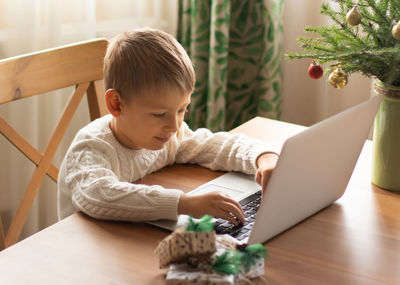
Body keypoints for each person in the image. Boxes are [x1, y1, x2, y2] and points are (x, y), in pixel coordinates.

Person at [58, 28, 279, 226]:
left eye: (182, 109)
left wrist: (262, 156)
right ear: (117, 104)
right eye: (159, 114)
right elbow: (98, 195)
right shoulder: (92, 148)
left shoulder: (165, 135)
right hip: (81, 254)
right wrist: (184, 203)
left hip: (129, 240)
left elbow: (211, 145)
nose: (174, 125)